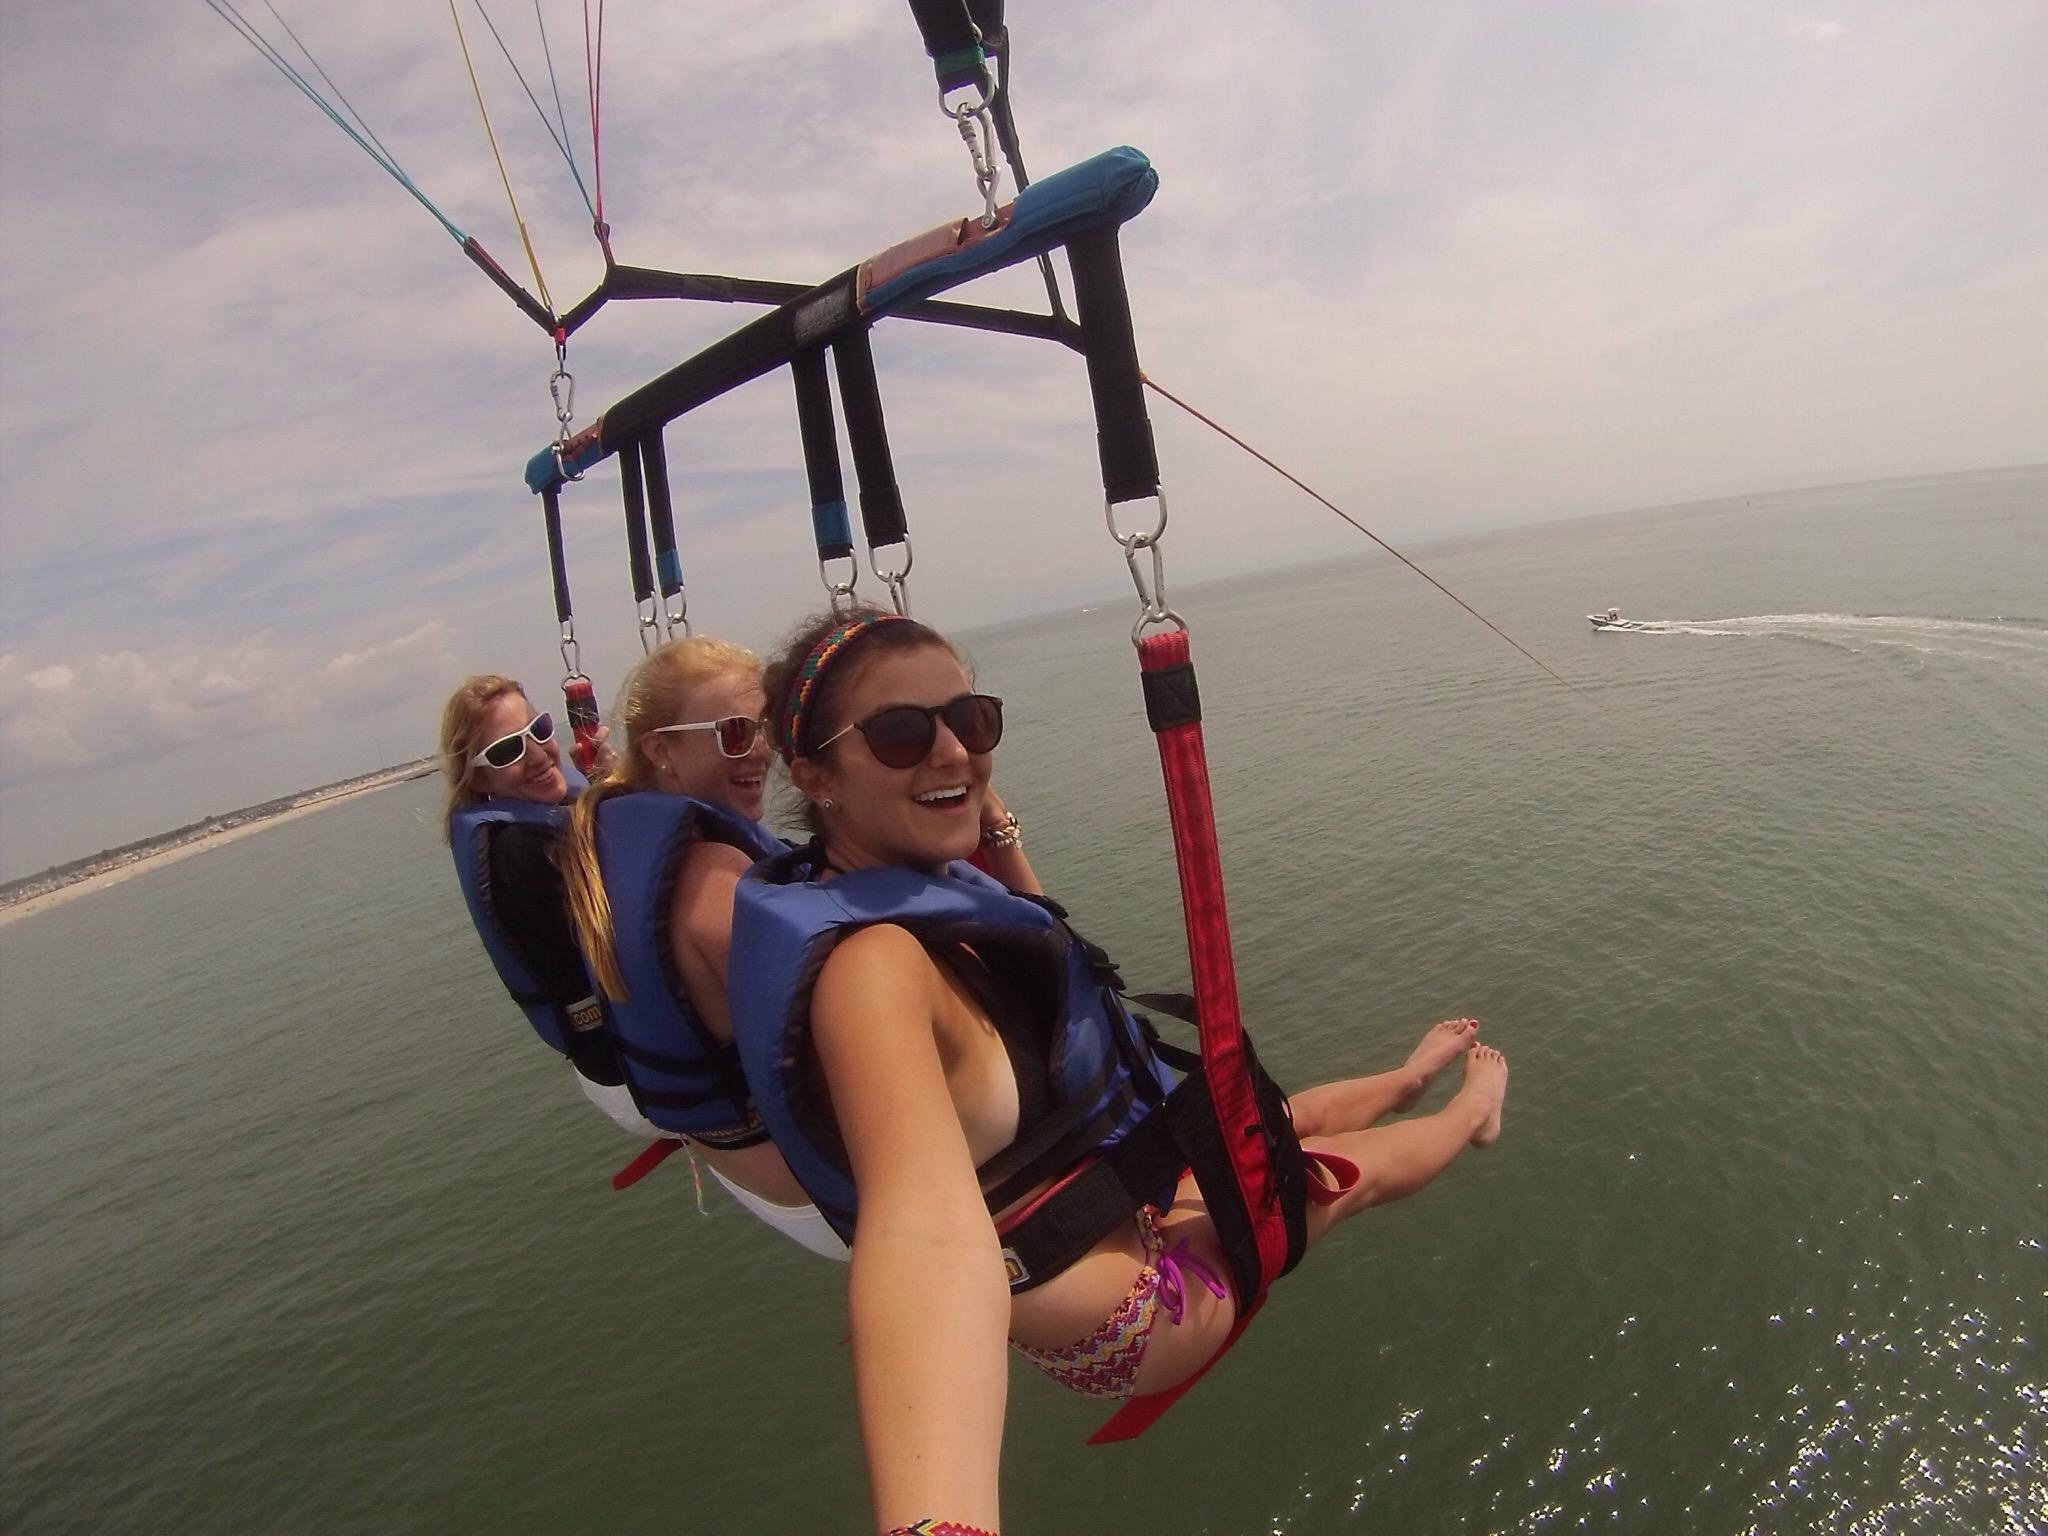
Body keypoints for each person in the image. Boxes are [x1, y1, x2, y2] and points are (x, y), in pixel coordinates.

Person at [728, 609, 1510, 1533]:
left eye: (971, 722)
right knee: (1340, 1175)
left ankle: (1407, 1077)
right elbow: (925, 1243)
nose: (947, 749)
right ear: (813, 773)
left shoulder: (899, 881)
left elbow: (1039, 930)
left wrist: (973, 799)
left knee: (1277, 1113)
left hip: (1107, 1187)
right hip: (1139, 1312)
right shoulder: (872, 974)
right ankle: (1473, 1112)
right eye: (902, 734)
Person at [557, 634, 1014, 1260]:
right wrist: (993, 827)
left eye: (765, 730)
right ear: (661, 750)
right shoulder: (716, 894)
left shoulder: (618, 830)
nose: (763, 753)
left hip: (731, 1153)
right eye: (734, 733)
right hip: (825, 1203)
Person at [439, 674, 648, 1132]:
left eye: (539, 729)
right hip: (636, 1077)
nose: (537, 753)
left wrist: (607, 784)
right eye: (507, 751)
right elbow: (640, 925)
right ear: (478, 775)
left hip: (616, 1064)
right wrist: (631, 788)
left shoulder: (538, 825)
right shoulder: (521, 852)